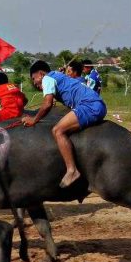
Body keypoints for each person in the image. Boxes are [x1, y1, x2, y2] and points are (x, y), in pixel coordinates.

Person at [21, 60, 107, 188]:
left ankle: (72, 170)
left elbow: (47, 104)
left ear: (41, 73)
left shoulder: (47, 79)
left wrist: (34, 119)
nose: (34, 83)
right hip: (96, 104)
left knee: (58, 130)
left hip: (89, 105)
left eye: (34, 78)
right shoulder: (56, 75)